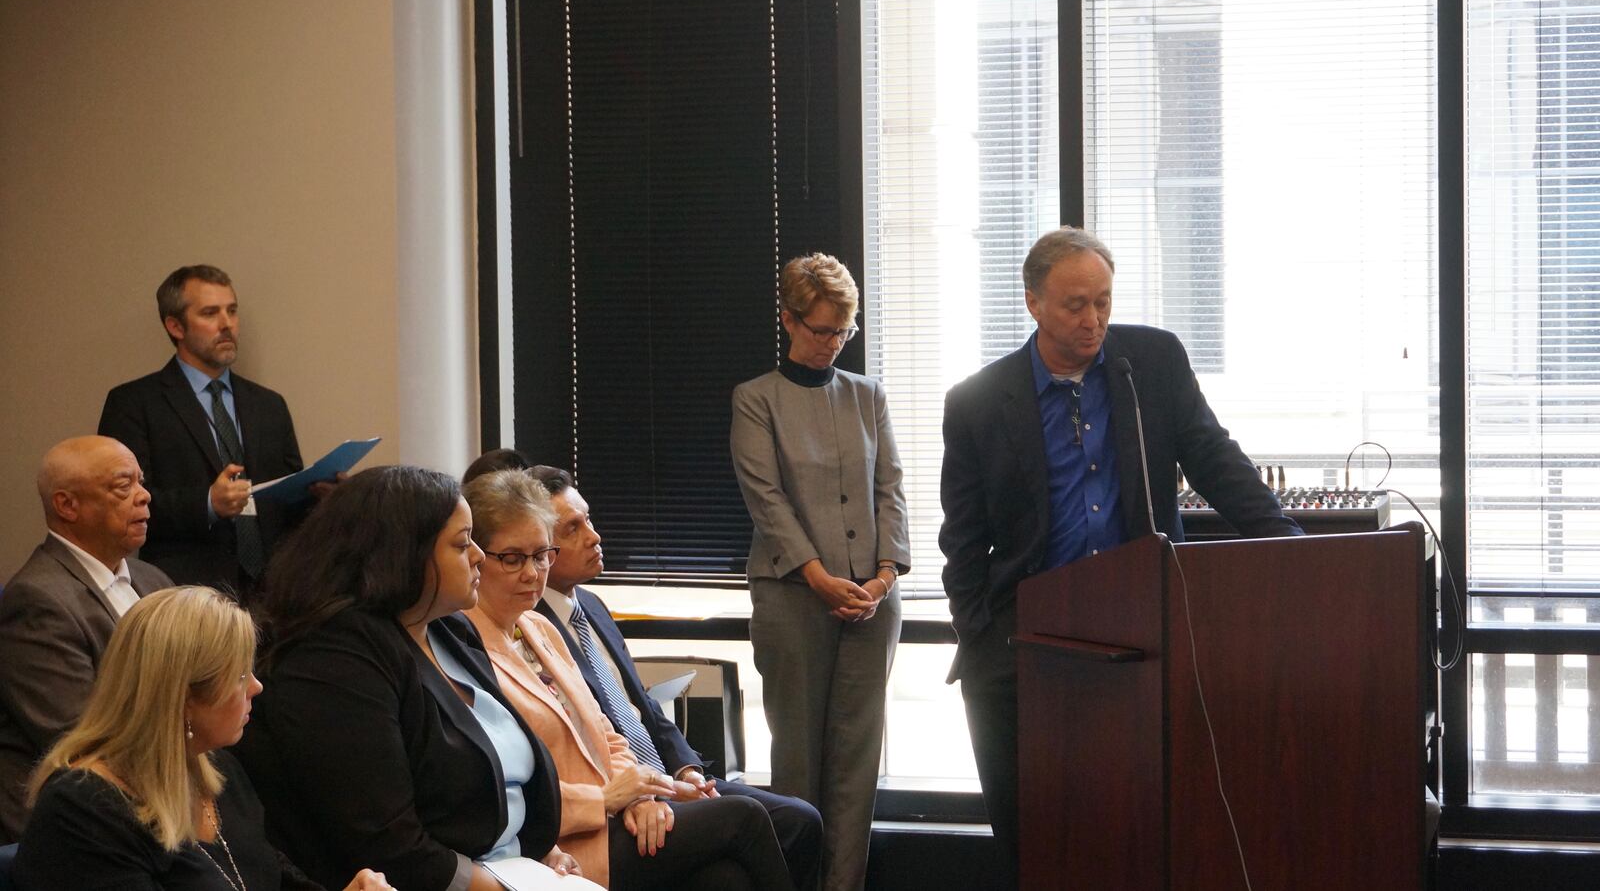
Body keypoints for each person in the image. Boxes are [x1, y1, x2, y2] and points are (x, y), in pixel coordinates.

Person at [938, 226, 1303, 888]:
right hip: (1030, 644)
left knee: (1148, 828)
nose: (1094, 319)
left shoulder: (1150, 363)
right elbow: (962, 540)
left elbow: (1218, 464)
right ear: (1033, 303)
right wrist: (981, 632)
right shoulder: (978, 402)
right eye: (1076, 304)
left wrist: (1293, 552)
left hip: (1143, 635)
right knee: (1042, 837)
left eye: (1103, 300)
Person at [232, 466, 593, 891]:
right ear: (402, 555)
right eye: (462, 544)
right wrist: (508, 886)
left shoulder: (447, 629)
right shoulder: (332, 659)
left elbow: (499, 779)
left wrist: (536, 854)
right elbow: (387, 843)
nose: (479, 555)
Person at [462, 469, 796, 889]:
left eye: (542, 555)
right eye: (513, 559)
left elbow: (607, 731)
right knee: (743, 817)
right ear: (474, 556)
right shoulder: (464, 649)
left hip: (615, 813)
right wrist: (609, 799)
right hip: (561, 842)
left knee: (725, 879)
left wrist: (637, 793)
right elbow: (500, 789)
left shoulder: (539, 628)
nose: (532, 573)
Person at [728, 253, 910, 891]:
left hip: (872, 598)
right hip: (792, 597)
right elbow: (766, 500)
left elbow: (891, 489)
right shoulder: (756, 400)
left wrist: (885, 576)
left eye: (842, 331)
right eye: (820, 329)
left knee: (857, 762)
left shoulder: (868, 396)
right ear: (788, 319)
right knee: (798, 758)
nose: (831, 343)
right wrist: (818, 577)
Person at [13, 585, 393, 890]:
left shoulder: (217, 768)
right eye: (241, 676)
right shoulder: (81, 811)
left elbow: (270, 876)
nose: (257, 687)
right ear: (183, 698)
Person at [98, 264, 322, 596]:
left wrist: (321, 496)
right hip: (187, 592)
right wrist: (207, 503)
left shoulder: (269, 404)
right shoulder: (134, 403)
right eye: (210, 313)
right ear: (175, 326)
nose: (227, 324)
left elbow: (287, 495)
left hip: (273, 593)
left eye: (232, 311)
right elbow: (119, 502)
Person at [0, 436, 172, 842]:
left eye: (141, 482)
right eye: (122, 486)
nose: (144, 496)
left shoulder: (153, 579)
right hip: (78, 824)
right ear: (67, 505)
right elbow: (81, 739)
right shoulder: (37, 601)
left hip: (158, 794)